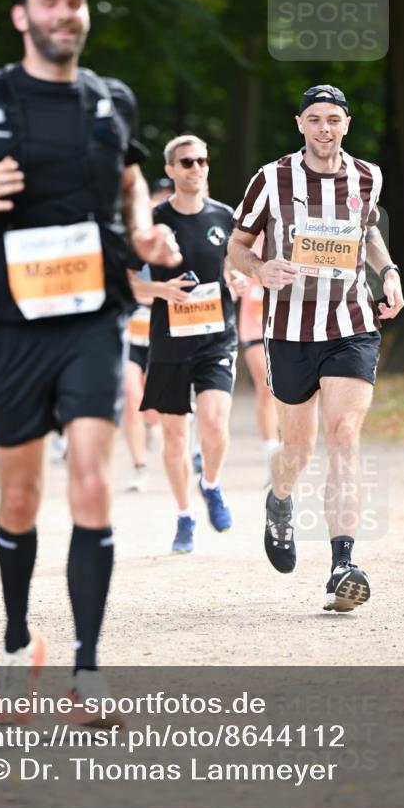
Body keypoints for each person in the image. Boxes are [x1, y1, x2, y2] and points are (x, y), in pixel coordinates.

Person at [0, 0, 180, 710]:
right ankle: (13, 640)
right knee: (21, 492)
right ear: (21, 16)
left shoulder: (110, 101)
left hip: (93, 318)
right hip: (9, 322)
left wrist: (145, 235)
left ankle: (88, 669)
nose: (65, 14)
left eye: (75, 4)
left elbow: (131, 181)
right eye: (50, 2)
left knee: (93, 478)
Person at [228, 84, 404, 611]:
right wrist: (260, 269)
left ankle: (342, 565)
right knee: (298, 450)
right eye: (314, 119)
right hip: (288, 330)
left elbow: (368, 231)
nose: (324, 128)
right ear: (299, 124)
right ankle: (278, 499)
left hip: (351, 323)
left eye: (334, 119)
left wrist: (388, 273)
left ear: (346, 124)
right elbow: (237, 245)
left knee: (344, 435)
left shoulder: (367, 176)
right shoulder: (272, 178)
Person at [134, 134, 243, 554]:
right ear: (170, 170)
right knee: (175, 436)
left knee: (215, 423)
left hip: (216, 336)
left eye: (202, 161)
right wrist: (161, 291)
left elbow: (240, 262)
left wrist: (239, 275)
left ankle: (211, 485)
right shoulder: (152, 222)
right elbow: (126, 281)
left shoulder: (226, 216)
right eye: (186, 162)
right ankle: (184, 516)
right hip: (169, 341)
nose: (196, 168)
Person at [121, 177, 174, 491]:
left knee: (153, 407)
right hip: (129, 327)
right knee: (130, 398)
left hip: (159, 329)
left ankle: (152, 424)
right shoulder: (127, 240)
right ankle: (139, 466)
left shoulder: (172, 243)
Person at [236, 232, 280, 476]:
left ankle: (288, 437)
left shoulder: (295, 229)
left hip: (287, 323)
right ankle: (271, 450)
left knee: (289, 388)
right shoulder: (246, 236)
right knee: (266, 385)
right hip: (254, 324)